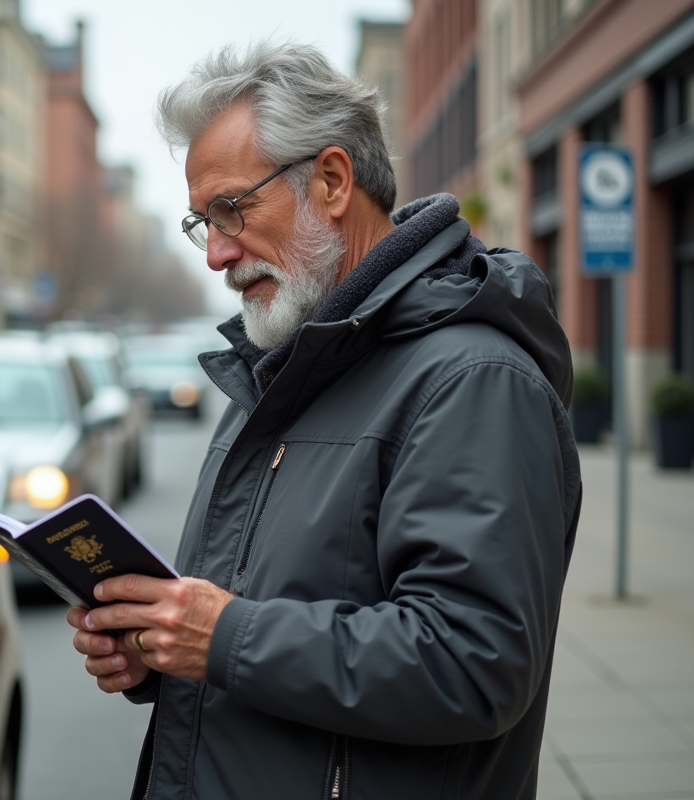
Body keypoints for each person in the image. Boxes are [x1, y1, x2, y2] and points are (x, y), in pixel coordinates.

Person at [66, 41, 582, 800]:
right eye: (199, 221)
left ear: (333, 181)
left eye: (231, 209)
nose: (215, 253)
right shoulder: (279, 372)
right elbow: (248, 628)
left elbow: (475, 664)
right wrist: (159, 650)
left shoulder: (474, 380)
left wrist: (222, 636)